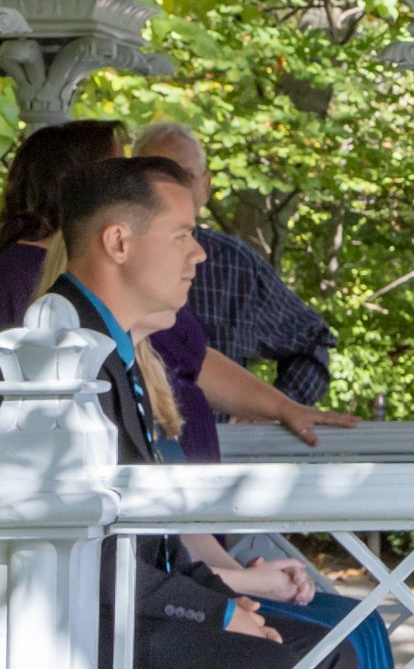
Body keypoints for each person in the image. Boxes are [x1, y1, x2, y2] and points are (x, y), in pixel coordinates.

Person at [54, 156, 358, 669]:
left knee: (324, 654)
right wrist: (218, 604)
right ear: (119, 239)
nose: (201, 256)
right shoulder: (62, 349)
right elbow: (97, 545)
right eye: (184, 235)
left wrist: (232, 576)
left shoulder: (117, 341)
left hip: (120, 608)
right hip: (68, 630)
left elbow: (143, 527)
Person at [0, 120, 351, 455]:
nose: (197, 254)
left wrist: (282, 405)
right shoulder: (62, 324)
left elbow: (197, 358)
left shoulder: (128, 342)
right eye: (125, 171)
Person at [133, 121, 337, 406]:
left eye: (185, 176)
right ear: (127, 185)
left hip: (220, 445)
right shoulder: (112, 257)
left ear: (205, 187)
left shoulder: (234, 266)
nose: (172, 189)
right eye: (158, 175)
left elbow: (313, 342)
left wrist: (271, 410)